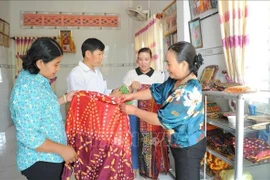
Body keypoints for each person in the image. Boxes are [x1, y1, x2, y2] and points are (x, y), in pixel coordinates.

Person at [120, 41, 206, 180]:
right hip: (178, 143)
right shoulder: (175, 80)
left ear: (183, 64)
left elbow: (161, 119)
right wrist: (132, 95)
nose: (167, 67)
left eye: (169, 64)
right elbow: (155, 91)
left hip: (188, 147)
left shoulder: (189, 91)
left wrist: (134, 111)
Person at [10, 37, 77, 180]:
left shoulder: (37, 79)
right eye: (56, 64)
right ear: (40, 63)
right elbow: (29, 136)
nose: (58, 68)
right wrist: (63, 149)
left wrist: (64, 98)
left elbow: (41, 106)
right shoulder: (27, 89)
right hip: (40, 161)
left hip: (50, 156)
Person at [121, 47, 169, 179]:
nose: (143, 63)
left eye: (146, 59)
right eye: (140, 59)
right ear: (137, 60)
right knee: (135, 142)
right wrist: (130, 88)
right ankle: (134, 167)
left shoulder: (159, 76)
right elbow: (121, 94)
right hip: (134, 114)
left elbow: (163, 96)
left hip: (152, 116)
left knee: (153, 143)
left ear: (151, 59)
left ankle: (152, 169)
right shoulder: (131, 74)